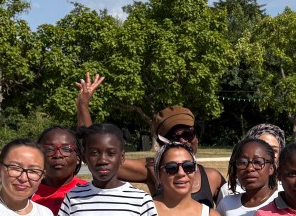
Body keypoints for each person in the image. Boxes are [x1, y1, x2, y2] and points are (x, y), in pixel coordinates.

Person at [74, 73, 225, 204]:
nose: (184, 142)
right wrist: (83, 106)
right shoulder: (152, 169)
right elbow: (95, 152)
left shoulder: (213, 178)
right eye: (175, 138)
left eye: (188, 134)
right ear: (163, 142)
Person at [217, 138, 279, 216]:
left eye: (258, 162)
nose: (250, 168)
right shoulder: (227, 204)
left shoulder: (281, 201)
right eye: (242, 162)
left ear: (271, 168)